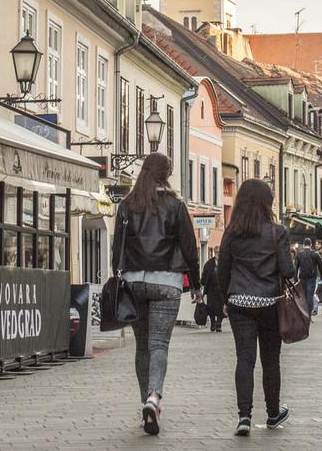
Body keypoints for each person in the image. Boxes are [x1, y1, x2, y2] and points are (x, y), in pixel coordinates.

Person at [110, 153, 201, 436]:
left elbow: (117, 247)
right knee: (159, 344)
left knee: (142, 346)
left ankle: (144, 404)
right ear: (167, 174)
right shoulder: (175, 206)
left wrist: (119, 274)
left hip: (135, 281)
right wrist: (196, 284)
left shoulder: (127, 205)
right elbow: (189, 247)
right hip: (167, 281)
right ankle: (154, 398)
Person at [218, 179, 295, 436]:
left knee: (245, 359)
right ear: (267, 203)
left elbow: (223, 269)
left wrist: (225, 300)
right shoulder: (277, 232)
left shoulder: (232, 232)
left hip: (240, 302)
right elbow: (288, 270)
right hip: (271, 304)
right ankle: (273, 414)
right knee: (271, 361)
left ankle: (244, 417)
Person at [294, 237, 322, 317]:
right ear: (311, 245)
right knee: (310, 296)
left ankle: (303, 314)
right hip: (312, 278)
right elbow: (321, 267)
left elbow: (295, 268)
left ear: (303, 245)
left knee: (303, 296)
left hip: (302, 278)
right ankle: (308, 315)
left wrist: (295, 280)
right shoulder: (315, 254)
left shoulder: (299, 254)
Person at [201, 250, 225, 332]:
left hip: (222, 289)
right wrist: (202, 283)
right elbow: (204, 274)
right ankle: (212, 323)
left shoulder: (224, 262)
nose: (219, 254)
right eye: (217, 252)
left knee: (221, 307)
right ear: (215, 253)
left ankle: (219, 324)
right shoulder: (209, 263)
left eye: (220, 252)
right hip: (211, 289)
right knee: (211, 307)